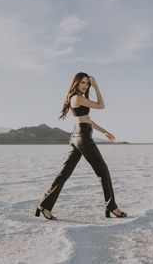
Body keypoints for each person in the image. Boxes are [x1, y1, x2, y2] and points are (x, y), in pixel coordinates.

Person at [35, 72, 127, 220]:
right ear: (76, 83)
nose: (85, 86)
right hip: (82, 137)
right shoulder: (77, 98)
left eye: (87, 83)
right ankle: (111, 207)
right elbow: (101, 106)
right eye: (83, 82)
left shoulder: (78, 98)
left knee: (64, 173)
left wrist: (105, 132)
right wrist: (96, 86)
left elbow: (87, 119)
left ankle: (45, 205)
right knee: (103, 171)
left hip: (78, 136)